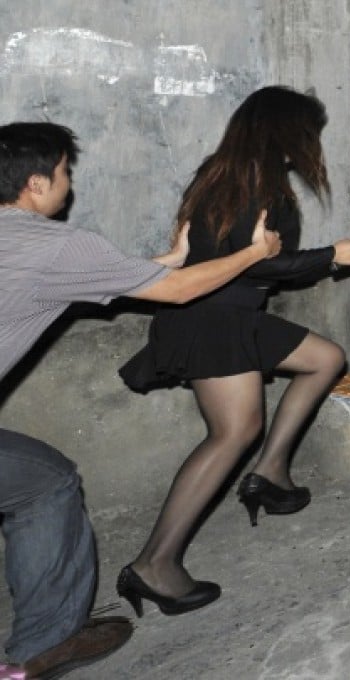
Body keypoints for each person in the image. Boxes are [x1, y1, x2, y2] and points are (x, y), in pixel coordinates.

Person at [0, 122, 282, 678]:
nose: (69, 183)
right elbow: (175, 294)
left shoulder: (21, 243)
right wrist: (254, 254)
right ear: (36, 183)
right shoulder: (56, 244)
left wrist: (172, 259)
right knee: (47, 485)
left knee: (42, 478)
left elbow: (119, 278)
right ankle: (45, 644)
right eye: (64, 172)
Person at [116, 86, 350, 617]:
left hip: (231, 312)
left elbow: (229, 257)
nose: (310, 143)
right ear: (284, 129)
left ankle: (270, 473)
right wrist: (333, 256)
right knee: (232, 433)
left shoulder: (223, 169)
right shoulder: (260, 181)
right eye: (308, 130)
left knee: (324, 357)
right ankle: (153, 565)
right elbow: (254, 262)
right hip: (216, 319)